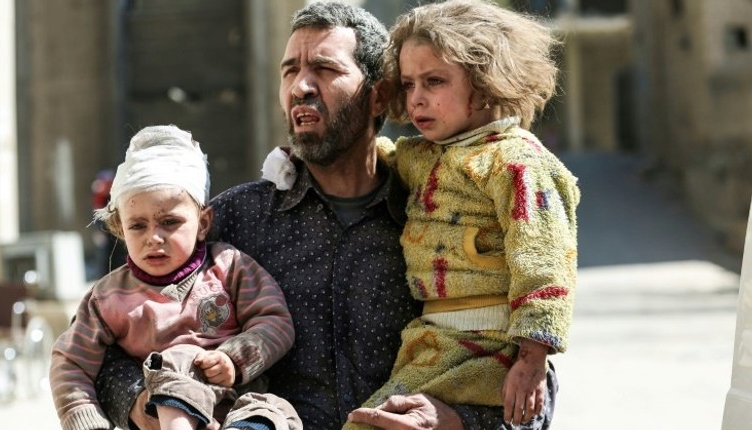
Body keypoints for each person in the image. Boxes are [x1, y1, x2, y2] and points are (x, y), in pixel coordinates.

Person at [96, 2, 515, 429]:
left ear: (379, 96)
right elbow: (98, 348)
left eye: (324, 69)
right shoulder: (235, 221)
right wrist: (150, 406)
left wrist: (456, 420)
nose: (301, 87)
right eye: (289, 71)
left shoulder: (441, 214)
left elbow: (529, 376)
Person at [344, 1, 580, 429]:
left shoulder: (517, 162)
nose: (417, 98)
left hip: (491, 351)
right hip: (432, 344)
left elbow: (545, 262)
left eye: (434, 81)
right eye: (409, 83)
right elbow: (377, 161)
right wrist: (301, 161)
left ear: (488, 84)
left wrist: (531, 359)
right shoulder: (423, 157)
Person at [50, 125, 299, 430]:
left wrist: (235, 359)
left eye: (170, 222)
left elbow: (275, 321)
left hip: (240, 404)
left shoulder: (229, 266)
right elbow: (71, 363)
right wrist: (86, 421)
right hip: (166, 409)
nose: (154, 238)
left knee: (276, 416)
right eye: (138, 226)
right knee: (174, 368)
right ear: (120, 229)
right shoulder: (108, 298)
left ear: (203, 223)